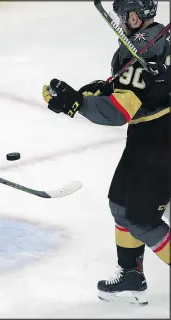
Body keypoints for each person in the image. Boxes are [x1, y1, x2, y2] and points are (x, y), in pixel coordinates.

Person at [42, 0, 170, 306]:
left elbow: (118, 111)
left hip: (162, 141)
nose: (121, 20)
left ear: (136, 16)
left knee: (141, 220)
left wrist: (78, 105)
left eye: (124, 15)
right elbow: (138, 88)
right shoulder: (154, 40)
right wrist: (98, 89)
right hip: (147, 138)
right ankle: (130, 276)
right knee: (121, 205)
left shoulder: (143, 49)